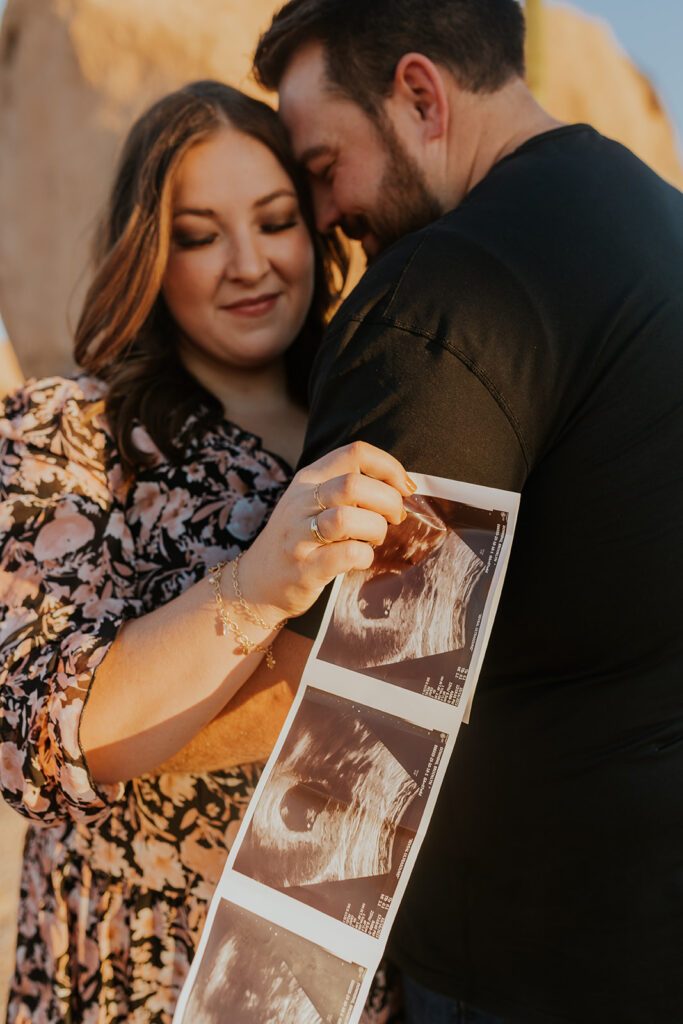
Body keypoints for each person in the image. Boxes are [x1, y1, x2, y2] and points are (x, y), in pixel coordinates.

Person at [252, 2, 683, 1022]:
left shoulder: (450, 291)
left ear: (417, 94)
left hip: (525, 969)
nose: (322, 219)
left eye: (322, 167)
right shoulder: (650, 215)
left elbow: (354, 721)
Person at [0, 80, 413, 1024]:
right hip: (144, 968)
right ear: (149, 253)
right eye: (199, 234)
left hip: (339, 969)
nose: (248, 264)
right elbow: (43, 736)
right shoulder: (71, 435)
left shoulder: (377, 415)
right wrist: (255, 585)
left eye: (274, 222)